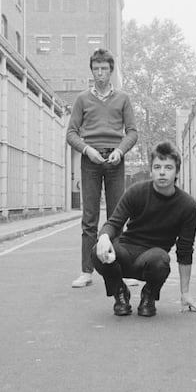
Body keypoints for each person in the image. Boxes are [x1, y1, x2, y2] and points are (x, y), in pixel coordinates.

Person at [91, 142, 196, 317]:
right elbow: (114, 223)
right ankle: (120, 292)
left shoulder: (188, 206)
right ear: (151, 170)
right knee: (97, 251)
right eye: (157, 167)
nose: (162, 172)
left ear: (177, 172)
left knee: (160, 259)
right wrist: (104, 237)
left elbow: (185, 250)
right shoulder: (136, 191)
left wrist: (185, 293)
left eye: (168, 167)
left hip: (152, 259)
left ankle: (149, 294)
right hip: (125, 252)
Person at [66, 49, 138, 288]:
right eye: (96, 69)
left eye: (104, 69)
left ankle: (123, 269)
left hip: (115, 159)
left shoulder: (123, 99)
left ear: (111, 70)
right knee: (89, 218)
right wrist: (87, 150)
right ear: (92, 71)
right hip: (91, 160)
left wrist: (120, 150)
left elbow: (132, 132)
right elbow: (71, 133)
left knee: (117, 216)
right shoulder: (82, 99)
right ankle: (87, 271)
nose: (100, 74)